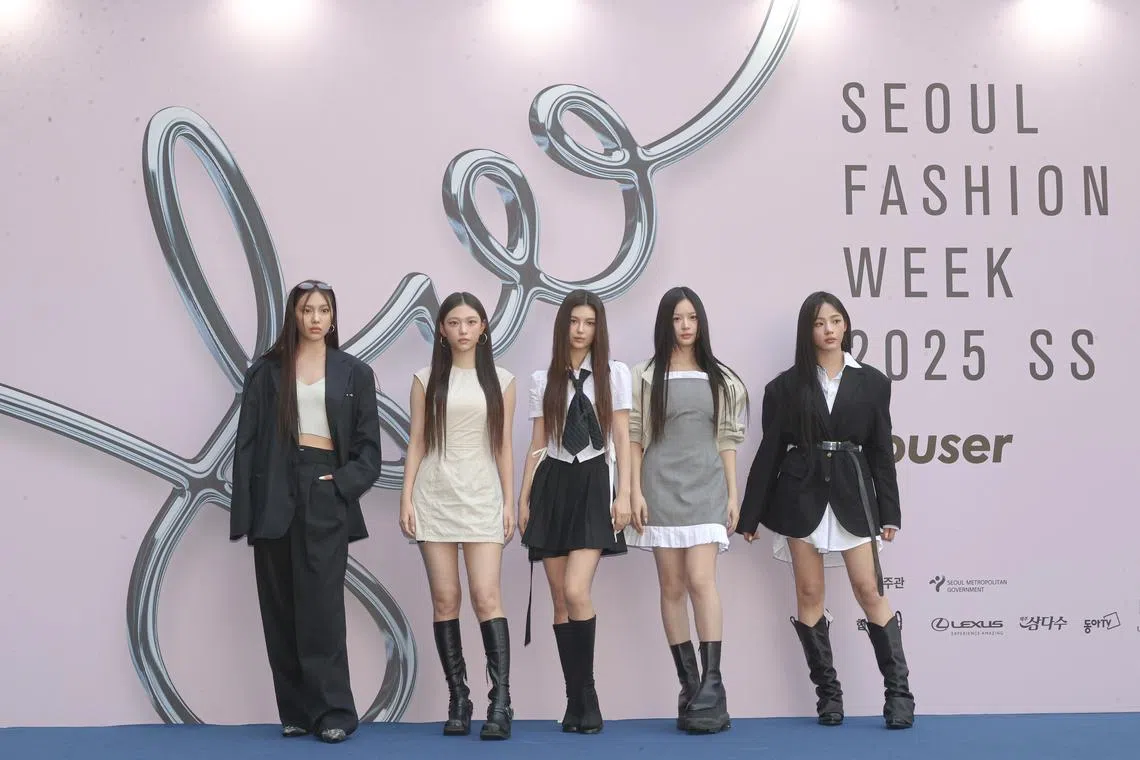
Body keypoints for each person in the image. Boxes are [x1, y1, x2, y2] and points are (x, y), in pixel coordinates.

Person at [737, 291, 914, 730]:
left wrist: (889, 512)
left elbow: (880, 452)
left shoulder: (873, 383)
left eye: (836, 320)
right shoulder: (784, 387)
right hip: (801, 497)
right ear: (808, 331)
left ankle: (899, 696)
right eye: (820, 323)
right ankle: (829, 698)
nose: (829, 329)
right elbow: (771, 450)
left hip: (854, 496)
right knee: (810, 594)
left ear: (846, 325)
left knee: (869, 590)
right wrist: (751, 514)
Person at [229, 279, 383, 743]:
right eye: (306, 310)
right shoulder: (266, 373)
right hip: (275, 489)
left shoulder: (354, 373)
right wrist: (247, 516)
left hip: (323, 487)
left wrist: (340, 486)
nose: (315, 318)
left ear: (334, 317)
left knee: (322, 608)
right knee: (279, 606)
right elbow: (247, 447)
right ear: (293, 317)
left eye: (324, 310)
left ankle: (334, 712)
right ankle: (295, 712)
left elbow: (369, 451)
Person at [624, 287, 748, 734]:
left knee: (701, 579)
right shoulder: (644, 376)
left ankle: (713, 683)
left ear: (701, 322)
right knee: (672, 585)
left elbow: (727, 440)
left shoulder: (723, 378)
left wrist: (733, 495)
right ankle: (689, 684)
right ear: (666, 323)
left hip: (707, 487)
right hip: (659, 487)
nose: (685, 325)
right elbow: (634, 436)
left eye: (692, 317)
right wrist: (634, 491)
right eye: (677, 318)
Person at [399, 292, 516, 740]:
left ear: (483, 327)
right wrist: (407, 497)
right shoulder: (425, 378)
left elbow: (503, 446)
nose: (463, 329)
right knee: (446, 599)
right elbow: (417, 442)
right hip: (434, 494)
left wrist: (509, 502)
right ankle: (459, 698)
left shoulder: (501, 379)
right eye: (454, 322)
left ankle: (500, 701)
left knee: (487, 596)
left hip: (483, 494)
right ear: (442, 330)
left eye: (471, 321)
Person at [519, 288, 632, 735]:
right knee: (560, 600)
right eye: (574, 322)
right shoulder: (541, 379)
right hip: (552, 482)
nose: (581, 330)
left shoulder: (613, 374)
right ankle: (574, 702)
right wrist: (523, 498)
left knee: (576, 589)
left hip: (592, 482)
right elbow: (536, 445)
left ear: (598, 328)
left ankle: (589, 697)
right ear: (563, 326)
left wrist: (623, 493)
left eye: (589, 323)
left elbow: (622, 437)